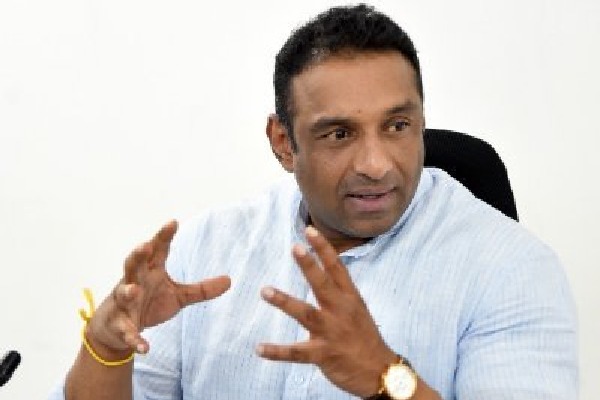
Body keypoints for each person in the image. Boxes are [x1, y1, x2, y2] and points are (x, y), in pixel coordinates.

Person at [51, 4, 577, 400]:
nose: (376, 163)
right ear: (283, 143)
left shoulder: (511, 269)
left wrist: (385, 377)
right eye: (339, 134)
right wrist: (106, 349)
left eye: (397, 126)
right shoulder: (206, 248)